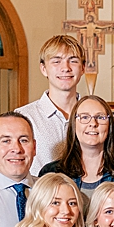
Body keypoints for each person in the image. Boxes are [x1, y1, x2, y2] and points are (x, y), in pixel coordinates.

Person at [41, 94, 114, 196]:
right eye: (85, 117)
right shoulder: (51, 173)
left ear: (110, 125)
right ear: (74, 124)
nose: (93, 123)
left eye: (100, 117)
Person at [20, 35, 85, 175]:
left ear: (83, 68)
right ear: (43, 69)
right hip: (40, 194)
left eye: (73, 61)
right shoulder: (24, 117)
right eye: (56, 61)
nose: (65, 68)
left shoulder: (94, 117)